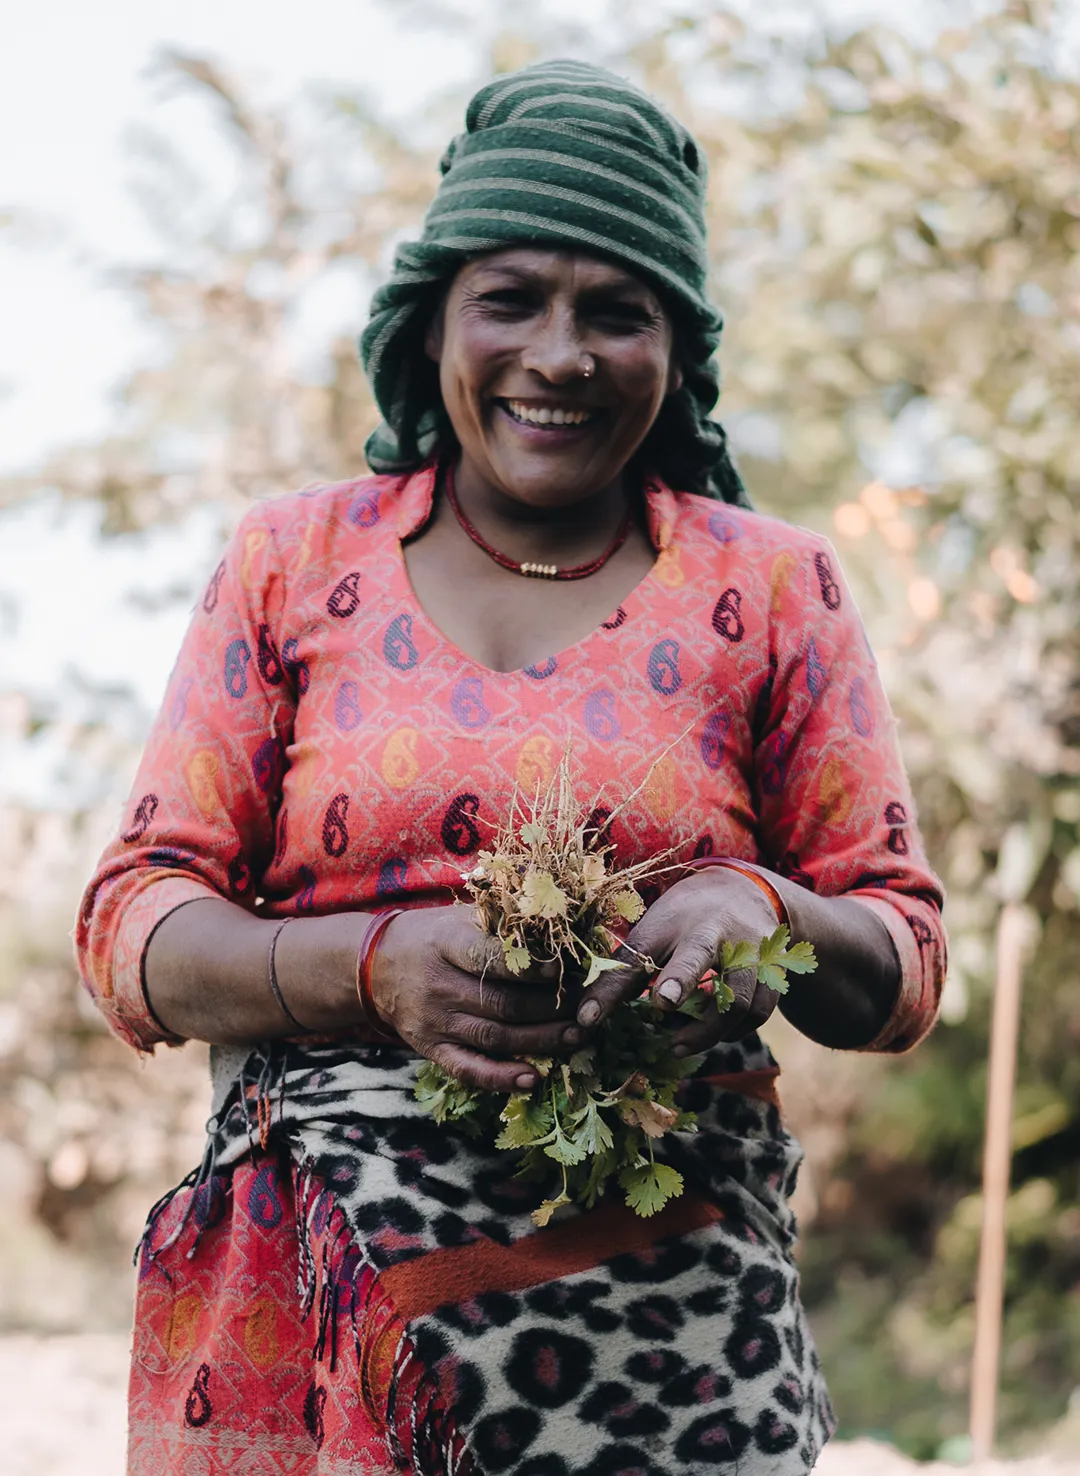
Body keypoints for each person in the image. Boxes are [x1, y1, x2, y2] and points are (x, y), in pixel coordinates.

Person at [76, 59, 946, 1476]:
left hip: (669, 1355)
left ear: (677, 354)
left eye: (620, 312)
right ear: (431, 330)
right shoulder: (294, 561)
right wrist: (370, 966)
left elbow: (903, 956)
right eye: (512, 299)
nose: (561, 354)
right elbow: (132, 923)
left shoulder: (775, 589)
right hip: (315, 1332)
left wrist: (765, 912)